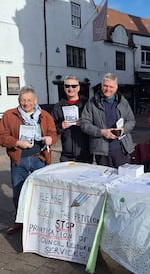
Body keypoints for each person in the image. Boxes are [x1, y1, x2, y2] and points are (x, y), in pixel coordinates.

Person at [0, 86, 57, 234]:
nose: (26, 103)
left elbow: (53, 133)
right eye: (23, 100)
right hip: (20, 160)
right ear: (19, 101)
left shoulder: (44, 115)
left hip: (40, 159)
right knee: (19, 192)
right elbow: (2, 137)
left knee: (42, 192)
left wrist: (50, 139)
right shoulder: (9, 115)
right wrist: (17, 143)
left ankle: (41, 220)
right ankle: (20, 221)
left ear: (35, 100)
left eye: (29, 100)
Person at [81, 73, 135, 168]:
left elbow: (131, 120)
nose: (108, 89)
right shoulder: (92, 103)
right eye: (105, 86)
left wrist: (124, 129)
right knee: (105, 179)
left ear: (116, 87)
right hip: (102, 151)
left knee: (123, 179)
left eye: (111, 86)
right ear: (101, 86)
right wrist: (101, 132)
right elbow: (85, 124)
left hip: (121, 148)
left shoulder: (122, 101)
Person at [52, 75, 93, 163]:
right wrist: (61, 126)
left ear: (78, 88)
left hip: (85, 153)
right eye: (67, 86)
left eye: (74, 86)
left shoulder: (87, 104)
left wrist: (85, 123)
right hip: (67, 154)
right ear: (64, 88)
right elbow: (52, 129)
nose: (70, 89)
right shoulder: (58, 107)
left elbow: (96, 124)